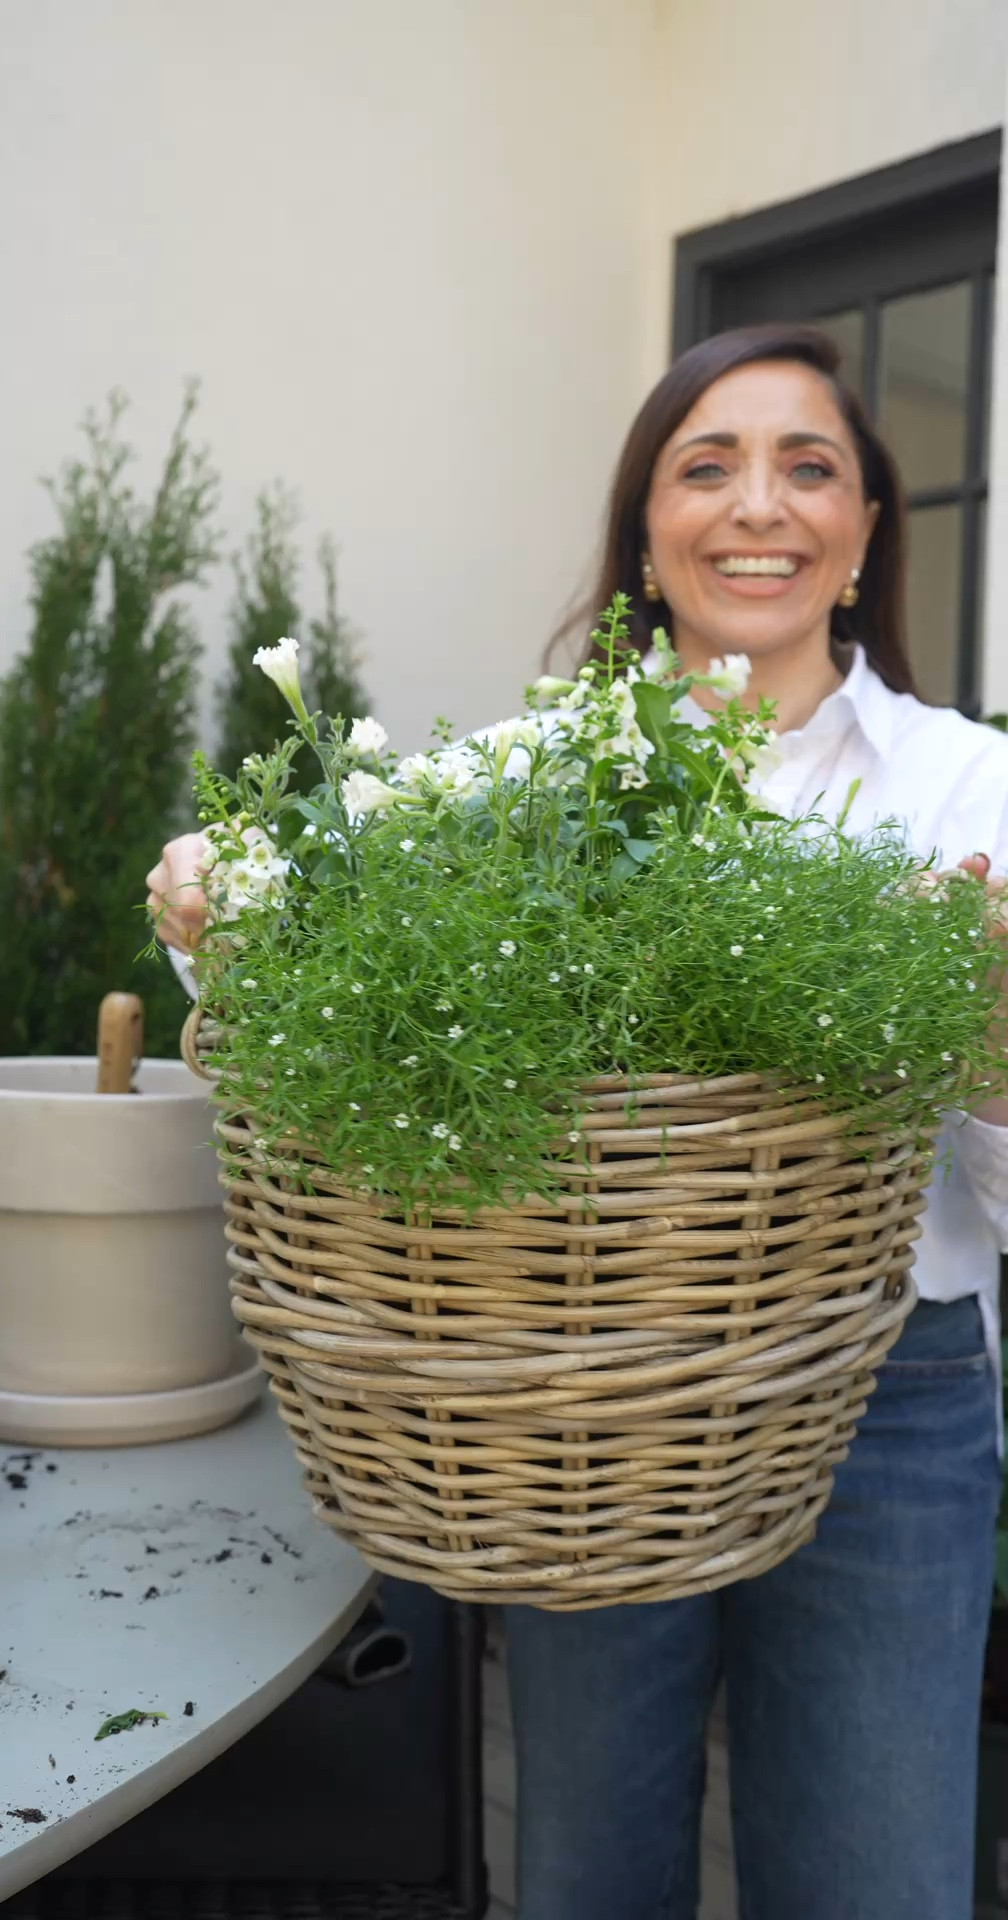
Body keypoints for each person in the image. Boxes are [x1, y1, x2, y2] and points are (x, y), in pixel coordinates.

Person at [147, 323, 1007, 1920]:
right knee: (587, 1871)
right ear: (645, 531)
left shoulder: (970, 793)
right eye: (709, 465)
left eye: (810, 467)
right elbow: (334, 969)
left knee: (877, 1882)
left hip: (891, 1395)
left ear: (868, 531)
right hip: (583, 1398)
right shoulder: (526, 778)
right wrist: (222, 902)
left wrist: (997, 1048)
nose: (761, 506)